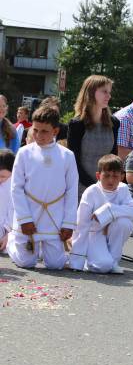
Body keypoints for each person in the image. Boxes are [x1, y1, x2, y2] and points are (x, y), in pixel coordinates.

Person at [7, 105, 78, 270]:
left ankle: (42, 249)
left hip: (54, 218)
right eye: (35, 130)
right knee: (26, 263)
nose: (38, 135)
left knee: (55, 264)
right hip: (29, 216)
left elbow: (71, 191)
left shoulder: (67, 156)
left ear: (55, 131)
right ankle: (12, 241)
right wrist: (24, 219)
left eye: (44, 131)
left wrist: (68, 223)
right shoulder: (24, 153)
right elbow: (16, 188)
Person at [69, 154, 133, 274]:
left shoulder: (123, 189)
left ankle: (114, 261)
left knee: (124, 223)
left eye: (115, 176)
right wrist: (76, 260)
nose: (111, 180)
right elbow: (81, 225)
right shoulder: (91, 191)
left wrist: (109, 210)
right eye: (106, 176)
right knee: (103, 266)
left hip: (113, 232)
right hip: (94, 235)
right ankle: (88, 260)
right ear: (98, 175)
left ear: (122, 177)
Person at [67, 75, 120, 196]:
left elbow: (113, 158)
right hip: (81, 189)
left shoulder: (115, 123)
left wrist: (108, 184)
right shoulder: (77, 124)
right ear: (91, 93)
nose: (109, 96)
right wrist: (93, 187)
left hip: (107, 189)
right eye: (104, 91)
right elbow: (74, 162)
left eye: (109, 92)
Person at [0, 149, 15, 253]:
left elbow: (13, 212)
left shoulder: (13, 186)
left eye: (3, 176)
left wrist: (8, 233)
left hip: (7, 229)